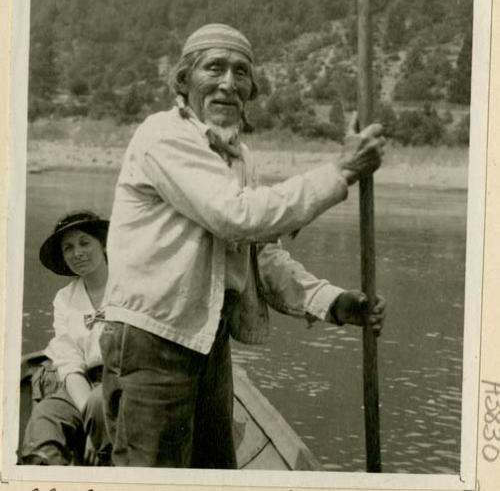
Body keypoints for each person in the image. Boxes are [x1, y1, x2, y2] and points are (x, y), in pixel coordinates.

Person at [100, 23, 386, 468]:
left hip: (207, 340)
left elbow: (260, 254)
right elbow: (238, 215)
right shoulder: (163, 135)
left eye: (241, 73)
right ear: (184, 80)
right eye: (214, 68)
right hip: (151, 338)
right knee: (152, 475)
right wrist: (341, 172)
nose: (228, 83)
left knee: (215, 473)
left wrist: (331, 301)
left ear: (251, 89)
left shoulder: (239, 158)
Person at [21, 211, 111, 466]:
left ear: (102, 244)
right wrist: (90, 420)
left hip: (124, 381)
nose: (77, 253)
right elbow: (70, 364)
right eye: (68, 248)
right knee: (45, 417)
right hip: (80, 384)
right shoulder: (64, 298)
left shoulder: (128, 286)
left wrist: (95, 414)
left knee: (99, 402)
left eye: (85, 242)